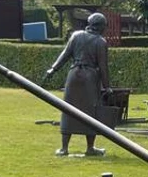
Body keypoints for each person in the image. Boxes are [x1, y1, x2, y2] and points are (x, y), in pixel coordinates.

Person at [43, 12, 110, 156]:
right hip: (90, 78)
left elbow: (65, 54)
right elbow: (103, 67)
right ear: (100, 26)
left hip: (73, 75)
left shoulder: (76, 35)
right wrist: (107, 86)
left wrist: (53, 69)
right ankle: (90, 148)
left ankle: (64, 148)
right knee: (91, 112)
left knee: (68, 109)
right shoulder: (101, 42)